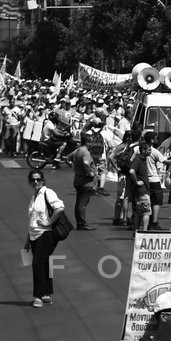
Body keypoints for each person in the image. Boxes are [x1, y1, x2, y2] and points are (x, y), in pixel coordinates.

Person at [25, 169, 64, 308]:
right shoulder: (34, 195)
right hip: (35, 234)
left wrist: (49, 222)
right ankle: (46, 293)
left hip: (46, 234)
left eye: (38, 179)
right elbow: (32, 219)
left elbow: (59, 208)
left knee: (37, 264)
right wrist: (28, 240)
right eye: (33, 179)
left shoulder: (48, 192)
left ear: (43, 180)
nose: (36, 182)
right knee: (45, 263)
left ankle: (39, 296)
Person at [68, 132, 97, 230]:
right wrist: (90, 173)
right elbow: (86, 163)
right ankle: (82, 223)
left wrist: (75, 167)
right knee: (83, 203)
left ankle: (80, 222)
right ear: (87, 142)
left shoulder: (77, 151)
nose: (92, 144)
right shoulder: (86, 152)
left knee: (79, 202)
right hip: (85, 182)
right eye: (91, 142)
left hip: (78, 180)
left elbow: (68, 158)